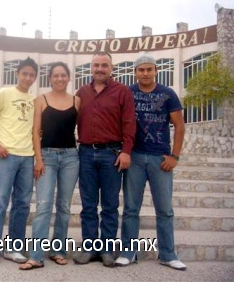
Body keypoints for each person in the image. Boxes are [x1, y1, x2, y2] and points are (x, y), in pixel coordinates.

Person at [115, 54, 187, 270]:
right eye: (141, 70)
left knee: (164, 209)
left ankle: (167, 254)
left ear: (156, 70)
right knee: (130, 208)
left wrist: (174, 156)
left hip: (160, 158)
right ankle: (128, 252)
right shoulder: (127, 92)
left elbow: (179, 126)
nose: (145, 73)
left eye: (149, 69)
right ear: (135, 72)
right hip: (134, 156)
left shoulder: (167, 94)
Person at [73, 52, 136, 268]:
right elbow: (69, 119)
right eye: (96, 65)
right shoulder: (81, 92)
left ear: (111, 68)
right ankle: (89, 248)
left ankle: (107, 250)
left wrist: (126, 151)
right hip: (86, 154)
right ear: (91, 67)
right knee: (88, 205)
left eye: (104, 65)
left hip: (112, 154)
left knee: (110, 205)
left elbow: (129, 124)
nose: (99, 68)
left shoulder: (122, 91)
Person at [19, 62, 81, 270]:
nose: (60, 78)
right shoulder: (41, 100)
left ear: (69, 78)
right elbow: (35, 132)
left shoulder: (77, 101)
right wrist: (38, 159)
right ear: (50, 78)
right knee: (44, 205)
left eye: (64, 75)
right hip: (47, 157)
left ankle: (58, 250)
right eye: (56, 75)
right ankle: (36, 256)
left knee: (64, 206)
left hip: (71, 158)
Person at [0, 57, 38, 265]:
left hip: (27, 157)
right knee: (0, 201)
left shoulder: (34, 100)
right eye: (24, 73)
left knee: (22, 204)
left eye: (31, 74)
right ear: (17, 74)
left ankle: (14, 248)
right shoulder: (5, 93)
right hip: (6, 156)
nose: (27, 77)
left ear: (35, 77)